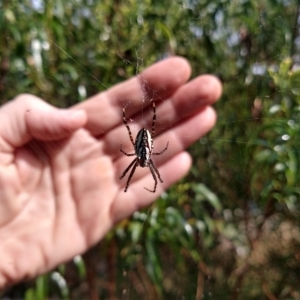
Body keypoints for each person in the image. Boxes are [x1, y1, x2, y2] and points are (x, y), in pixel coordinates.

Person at [0, 57, 222, 289]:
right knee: (142, 171)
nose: (146, 166)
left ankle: (131, 169)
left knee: (145, 172)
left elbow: (147, 159)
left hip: (140, 145)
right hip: (140, 145)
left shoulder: (139, 158)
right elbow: (144, 158)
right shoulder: (139, 158)